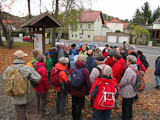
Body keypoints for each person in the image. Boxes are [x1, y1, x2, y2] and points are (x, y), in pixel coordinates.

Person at [3, 50, 41, 120]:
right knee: (31, 113)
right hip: (28, 96)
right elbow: (38, 78)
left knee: (19, 114)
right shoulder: (27, 68)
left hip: (16, 95)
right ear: (22, 58)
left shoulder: (9, 68)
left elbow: (4, 77)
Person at [68, 55, 91, 120]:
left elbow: (69, 80)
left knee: (74, 104)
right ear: (84, 61)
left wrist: (69, 90)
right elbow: (88, 83)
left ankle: (73, 116)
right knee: (80, 105)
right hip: (81, 91)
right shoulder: (85, 71)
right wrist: (87, 91)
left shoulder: (71, 69)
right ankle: (78, 117)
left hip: (73, 90)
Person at [119, 55, 137, 120]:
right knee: (130, 105)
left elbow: (125, 81)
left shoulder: (129, 70)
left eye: (127, 60)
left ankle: (126, 117)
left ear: (129, 61)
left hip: (128, 90)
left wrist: (120, 85)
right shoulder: (136, 67)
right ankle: (130, 116)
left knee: (125, 105)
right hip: (133, 89)